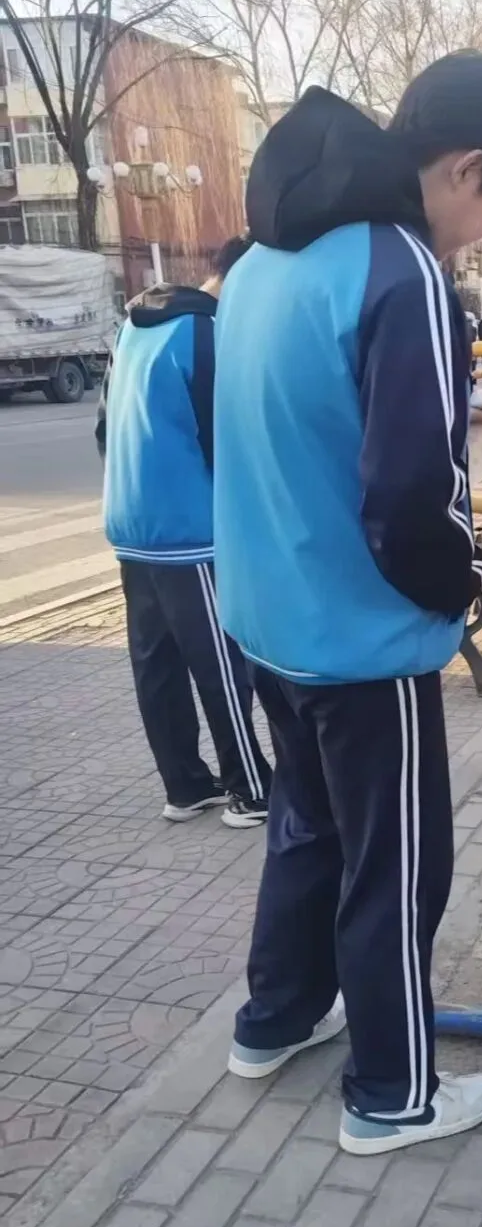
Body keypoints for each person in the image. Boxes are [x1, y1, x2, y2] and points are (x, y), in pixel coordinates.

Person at [212, 53, 482, 1155]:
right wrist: (462, 591)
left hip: (268, 612)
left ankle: (274, 1017)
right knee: (397, 867)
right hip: (365, 635)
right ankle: (393, 1091)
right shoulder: (401, 269)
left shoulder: (266, 258)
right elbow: (413, 493)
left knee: (306, 830)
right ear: (465, 167)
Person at [99, 238, 272, 830]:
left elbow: (103, 428)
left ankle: (185, 786)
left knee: (157, 664)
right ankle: (251, 790)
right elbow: (227, 441)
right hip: (190, 531)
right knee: (220, 664)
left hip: (131, 525)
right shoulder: (206, 335)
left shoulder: (132, 328)